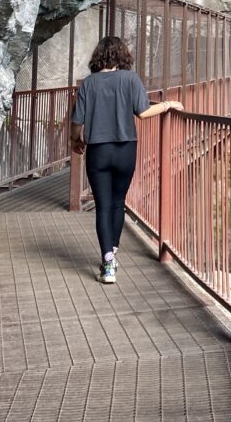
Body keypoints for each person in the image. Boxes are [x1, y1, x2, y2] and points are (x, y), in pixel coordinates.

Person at [70, 35, 183, 284]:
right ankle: (114, 250)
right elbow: (142, 112)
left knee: (103, 205)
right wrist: (167, 105)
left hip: (98, 151)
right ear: (123, 56)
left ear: (98, 56)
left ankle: (108, 262)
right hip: (125, 150)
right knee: (118, 202)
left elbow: (77, 121)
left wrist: (75, 141)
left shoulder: (89, 83)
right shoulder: (131, 79)